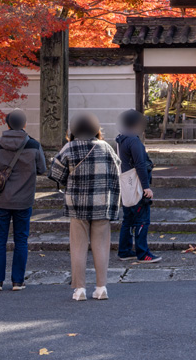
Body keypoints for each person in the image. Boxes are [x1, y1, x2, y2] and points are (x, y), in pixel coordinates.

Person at [49, 113, 121, 302]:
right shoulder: (106, 148)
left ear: (73, 129)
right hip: (102, 202)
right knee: (102, 246)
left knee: (78, 247)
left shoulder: (69, 147)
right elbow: (117, 170)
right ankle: (101, 287)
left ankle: (79, 289)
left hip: (78, 204)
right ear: (96, 129)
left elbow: (55, 174)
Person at [0, 109, 46, 292]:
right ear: (24, 124)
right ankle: (18, 281)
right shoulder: (34, 145)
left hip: (1, 199)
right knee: (21, 240)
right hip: (24, 199)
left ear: (7, 124)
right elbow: (42, 169)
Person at [115, 109, 161, 263]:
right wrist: (146, 187)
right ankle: (143, 253)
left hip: (126, 185)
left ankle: (125, 250)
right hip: (136, 186)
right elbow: (140, 165)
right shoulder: (134, 141)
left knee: (128, 219)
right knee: (142, 219)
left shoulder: (121, 140)